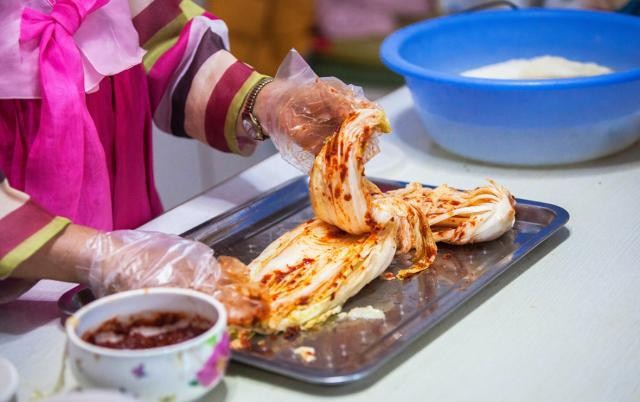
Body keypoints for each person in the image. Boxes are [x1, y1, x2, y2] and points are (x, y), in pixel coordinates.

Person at [0, 0, 371, 318]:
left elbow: (163, 42)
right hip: (21, 284)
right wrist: (96, 256)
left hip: (136, 238)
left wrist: (268, 102)